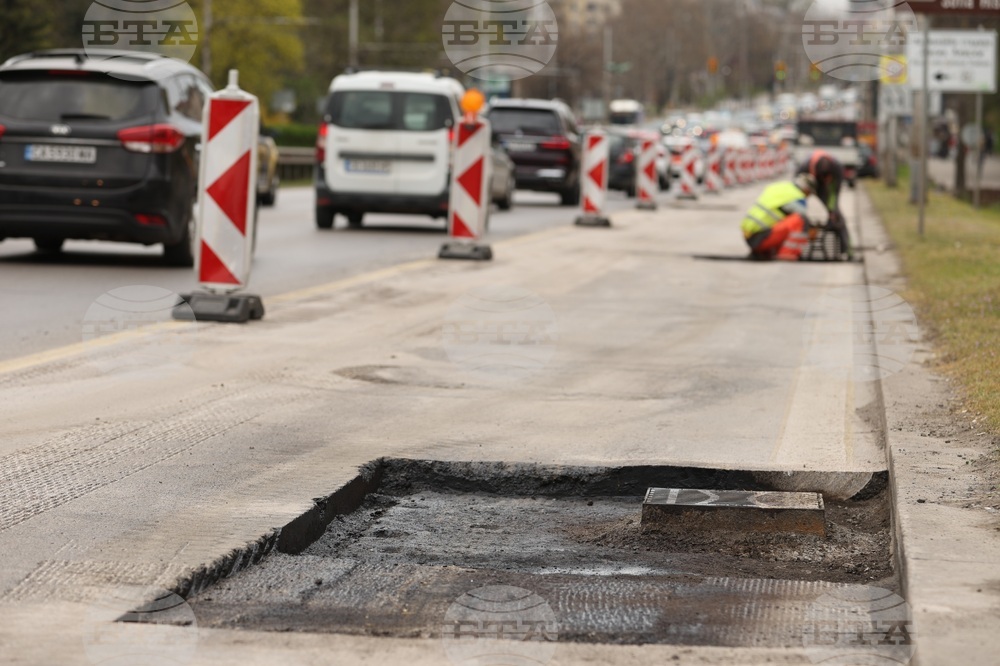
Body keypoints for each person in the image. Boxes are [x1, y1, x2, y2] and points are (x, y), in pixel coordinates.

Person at [741, 173, 819, 261]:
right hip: (761, 238)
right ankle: (787, 254)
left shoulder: (780, 187)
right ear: (806, 189)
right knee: (801, 220)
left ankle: (766, 251)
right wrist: (810, 231)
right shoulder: (797, 197)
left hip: (748, 235)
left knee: (785, 219)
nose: (808, 197)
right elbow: (802, 218)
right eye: (809, 193)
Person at [796, 150, 850, 258]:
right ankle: (796, 248)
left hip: (830, 186)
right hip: (809, 186)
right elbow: (796, 191)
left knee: (838, 218)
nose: (825, 180)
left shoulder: (836, 168)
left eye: (827, 178)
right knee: (798, 217)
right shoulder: (804, 167)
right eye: (823, 179)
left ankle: (847, 250)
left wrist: (832, 211)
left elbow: (835, 194)